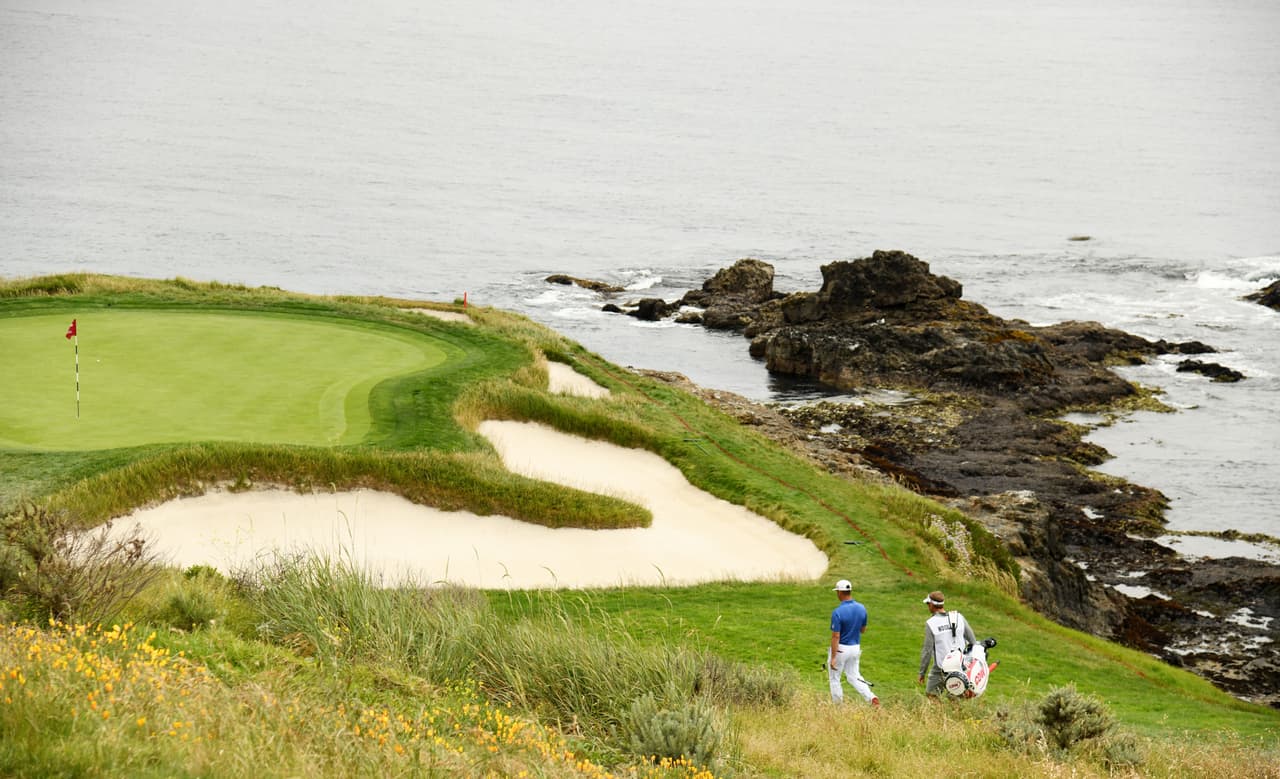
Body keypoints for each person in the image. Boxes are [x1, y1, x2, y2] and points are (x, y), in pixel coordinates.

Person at [827, 579, 878, 706]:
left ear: (839, 592)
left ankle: (838, 707)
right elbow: (863, 630)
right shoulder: (862, 608)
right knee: (854, 676)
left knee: (835, 678)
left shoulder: (837, 612)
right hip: (855, 647)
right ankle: (871, 698)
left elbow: (835, 636)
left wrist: (833, 657)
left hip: (841, 648)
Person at [917, 589, 976, 696]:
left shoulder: (931, 623)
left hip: (941, 667)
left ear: (931, 605)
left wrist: (922, 673)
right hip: (961, 665)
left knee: (931, 695)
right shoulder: (959, 617)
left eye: (928, 604)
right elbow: (972, 641)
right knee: (956, 697)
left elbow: (927, 651)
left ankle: (938, 712)